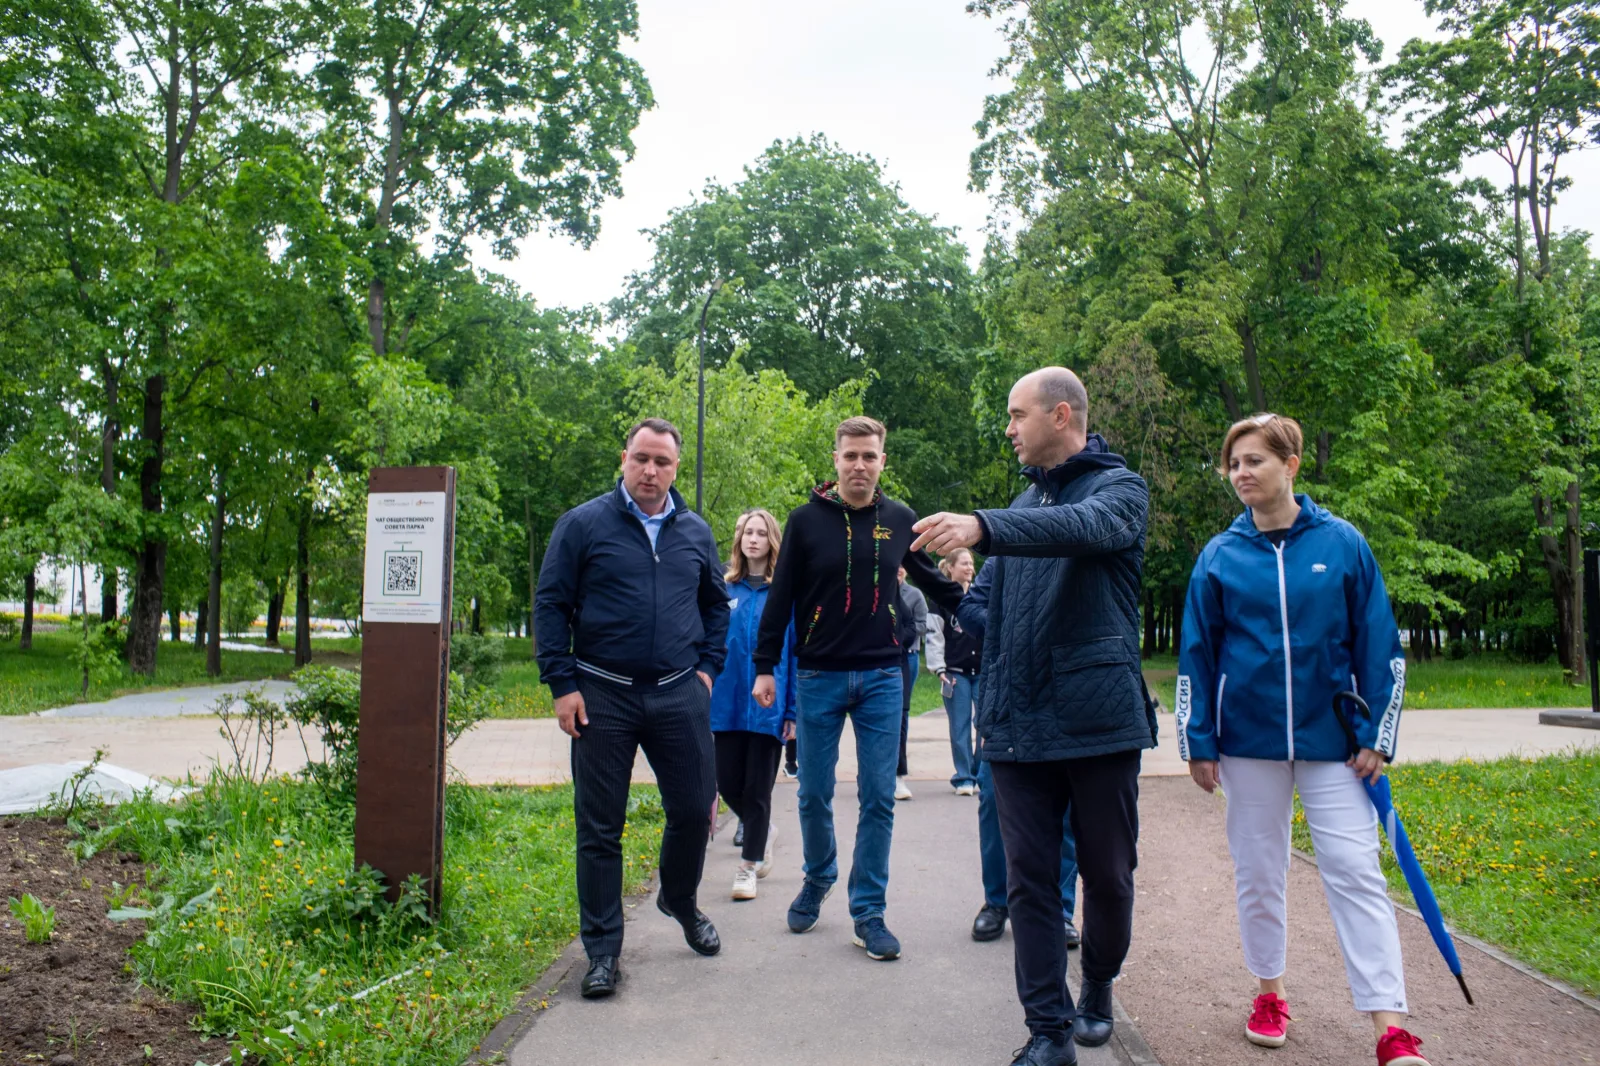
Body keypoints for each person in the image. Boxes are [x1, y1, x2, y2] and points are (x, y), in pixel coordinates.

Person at [913, 368, 1156, 1066]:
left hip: (1097, 721)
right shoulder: (1023, 505)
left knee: (1108, 876)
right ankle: (1048, 1030)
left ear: (1060, 414)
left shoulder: (1119, 490)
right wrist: (929, 577)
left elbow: (1084, 528)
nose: (1010, 429)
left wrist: (985, 526)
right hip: (1016, 723)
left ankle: (1099, 984)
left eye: (1018, 415)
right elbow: (985, 611)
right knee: (1030, 884)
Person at [1176, 413, 1431, 1066]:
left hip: (1335, 744)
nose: (1241, 474)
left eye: (1254, 461)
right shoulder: (1219, 556)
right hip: (1247, 745)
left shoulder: (1343, 544)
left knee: (1355, 872)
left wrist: (1378, 735)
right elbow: (1196, 655)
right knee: (1260, 875)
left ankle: (1389, 1026)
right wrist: (1196, 740)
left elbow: (1381, 644)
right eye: (1234, 464)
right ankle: (1270, 992)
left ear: (1290, 466)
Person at [752, 415, 964, 963]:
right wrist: (765, 665)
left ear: (882, 462)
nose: (860, 466)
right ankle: (818, 875)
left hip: (881, 677)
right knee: (813, 792)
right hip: (818, 676)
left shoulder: (899, 519)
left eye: (870, 456)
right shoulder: (804, 522)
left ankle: (868, 911)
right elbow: (780, 599)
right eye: (851, 456)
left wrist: (977, 608)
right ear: (836, 459)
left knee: (878, 798)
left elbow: (931, 579)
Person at [533, 418, 730, 1001]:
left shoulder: (695, 531)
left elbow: (716, 606)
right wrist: (561, 683)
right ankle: (602, 952)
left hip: (678, 692)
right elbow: (550, 605)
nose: (651, 471)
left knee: (695, 811)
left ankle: (679, 899)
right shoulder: (582, 524)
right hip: (602, 694)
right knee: (600, 828)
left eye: (662, 462)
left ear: (675, 467)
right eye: (641, 459)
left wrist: (707, 670)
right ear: (624, 458)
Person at [929, 548, 1081, 947]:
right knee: (993, 802)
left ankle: (1061, 910)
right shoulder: (1004, 558)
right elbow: (971, 610)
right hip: (1007, 698)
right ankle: (997, 902)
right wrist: (1018, 625)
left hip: (1065, 695)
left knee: (1064, 810)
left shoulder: (1079, 548)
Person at [712, 509, 797, 902]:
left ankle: (748, 866)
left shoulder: (785, 594)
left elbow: (794, 654)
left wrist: (792, 711)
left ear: (772, 541)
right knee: (727, 780)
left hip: (768, 704)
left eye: (762, 533)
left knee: (757, 787)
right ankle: (761, 829)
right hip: (725, 703)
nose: (754, 539)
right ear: (739, 539)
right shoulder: (723, 590)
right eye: (748, 532)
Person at [894, 565, 927, 801]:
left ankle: (898, 775)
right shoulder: (874, 589)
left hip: (908, 656)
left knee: (901, 715)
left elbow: (922, 625)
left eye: (903, 565)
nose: (898, 568)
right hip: (876, 658)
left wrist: (899, 638)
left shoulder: (914, 595)